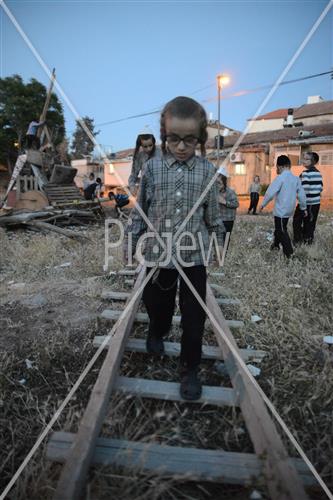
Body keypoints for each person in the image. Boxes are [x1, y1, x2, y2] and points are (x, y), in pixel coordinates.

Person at [124, 96, 225, 401]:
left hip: (193, 256)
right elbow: (141, 210)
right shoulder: (152, 170)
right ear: (164, 135)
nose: (181, 146)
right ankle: (157, 330)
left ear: (200, 139)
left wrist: (218, 244)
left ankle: (189, 368)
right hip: (158, 254)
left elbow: (213, 216)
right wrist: (131, 241)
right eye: (174, 139)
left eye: (189, 140)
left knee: (194, 316)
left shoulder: (207, 173)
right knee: (158, 305)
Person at [260, 155, 306, 258]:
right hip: (290, 210)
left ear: (280, 167)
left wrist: (263, 204)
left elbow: (270, 193)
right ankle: (275, 246)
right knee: (280, 227)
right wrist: (303, 208)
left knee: (281, 230)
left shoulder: (280, 178)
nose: (277, 169)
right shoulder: (296, 179)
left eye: (277, 167)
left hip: (281, 211)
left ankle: (290, 254)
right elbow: (302, 195)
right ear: (289, 165)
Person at [293, 152, 323, 245]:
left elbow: (304, 190)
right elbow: (321, 187)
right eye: (303, 158)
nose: (303, 160)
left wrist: (303, 206)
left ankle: (298, 240)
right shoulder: (319, 173)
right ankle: (308, 240)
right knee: (310, 222)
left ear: (313, 161)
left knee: (297, 220)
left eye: (306, 159)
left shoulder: (305, 173)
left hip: (306, 203)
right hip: (316, 204)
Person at [128, 127, 161, 195]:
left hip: (161, 192)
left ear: (154, 142)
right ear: (141, 145)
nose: (148, 149)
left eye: (150, 145)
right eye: (145, 146)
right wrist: (132, 186)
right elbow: (133, 176)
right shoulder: (139, 156)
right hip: (146, 193)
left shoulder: (161, 152)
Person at [217, 166, 239, 241]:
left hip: (228, 219)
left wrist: (225, 202)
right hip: (218, 218)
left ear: (224, 182)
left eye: (219, 183)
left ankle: (224, 251)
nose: (217, 185)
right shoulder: (214, 192)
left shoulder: (230, 192)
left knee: (225, 238)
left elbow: (236, 204)